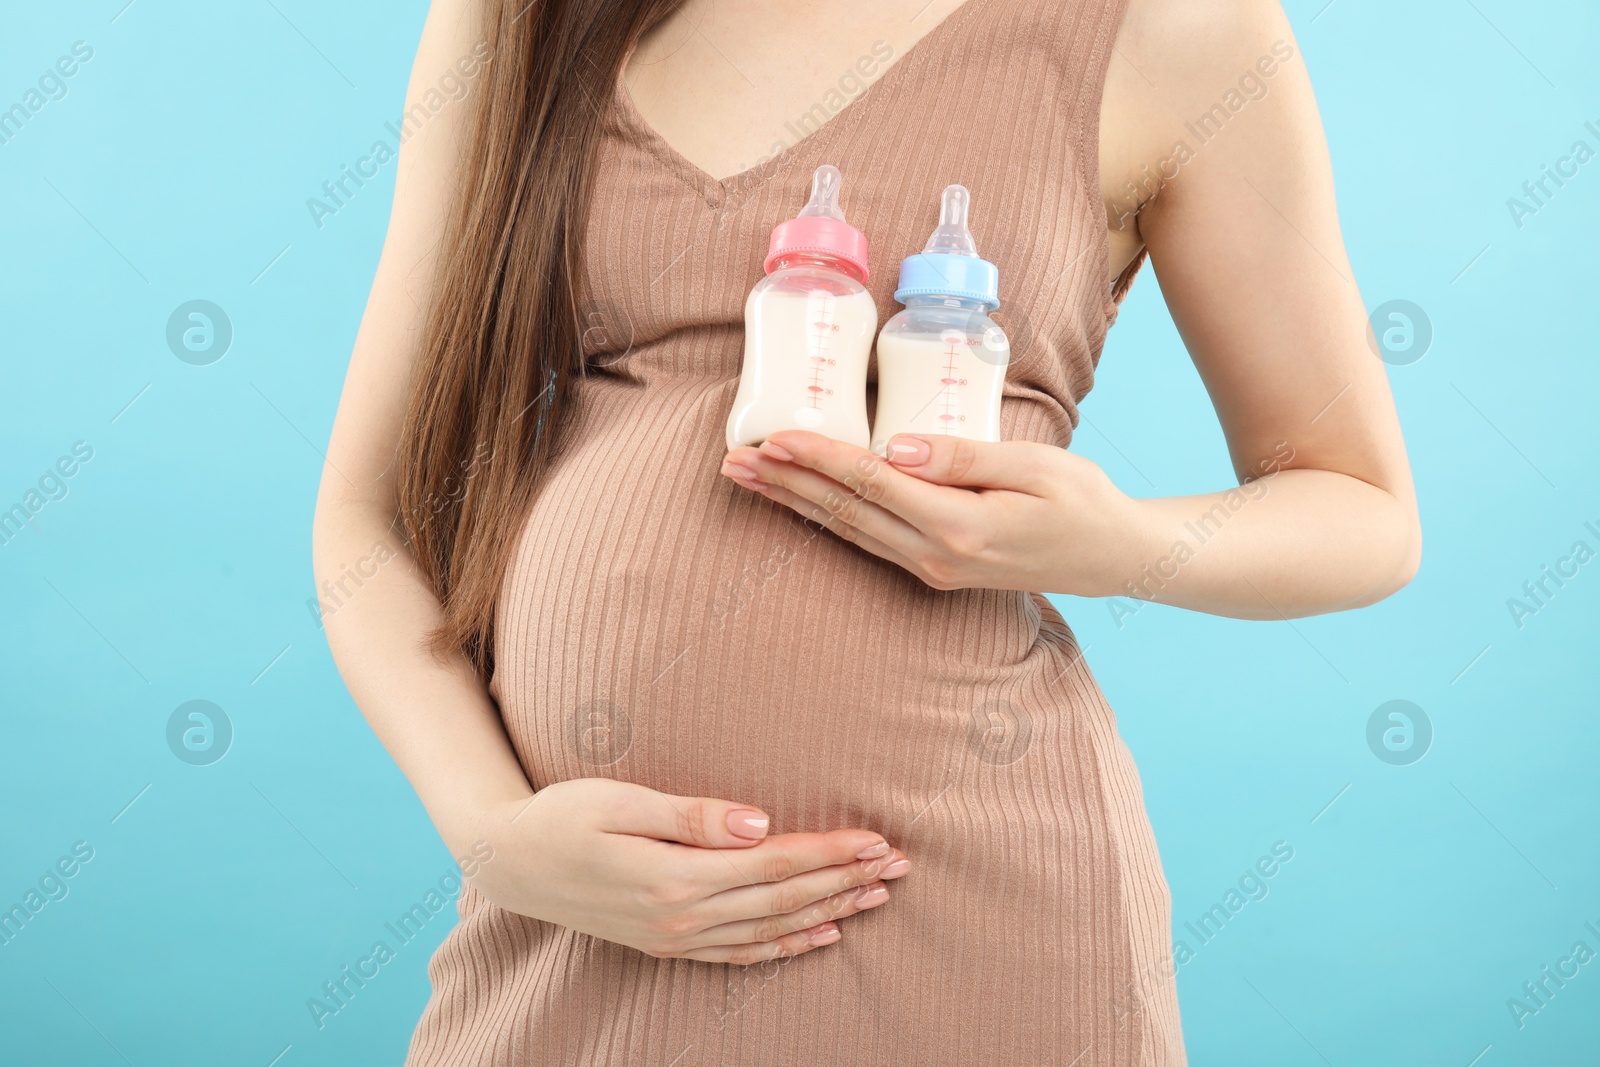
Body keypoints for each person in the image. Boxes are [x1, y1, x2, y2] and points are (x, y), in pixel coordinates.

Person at [312, 0, 1419, 1062]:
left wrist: (1118, 542)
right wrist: (493, 836)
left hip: (974, 915)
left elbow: (1362, 509)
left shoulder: (1175, 24)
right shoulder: (521, 14)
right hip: (582, 922)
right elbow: (369, 522)